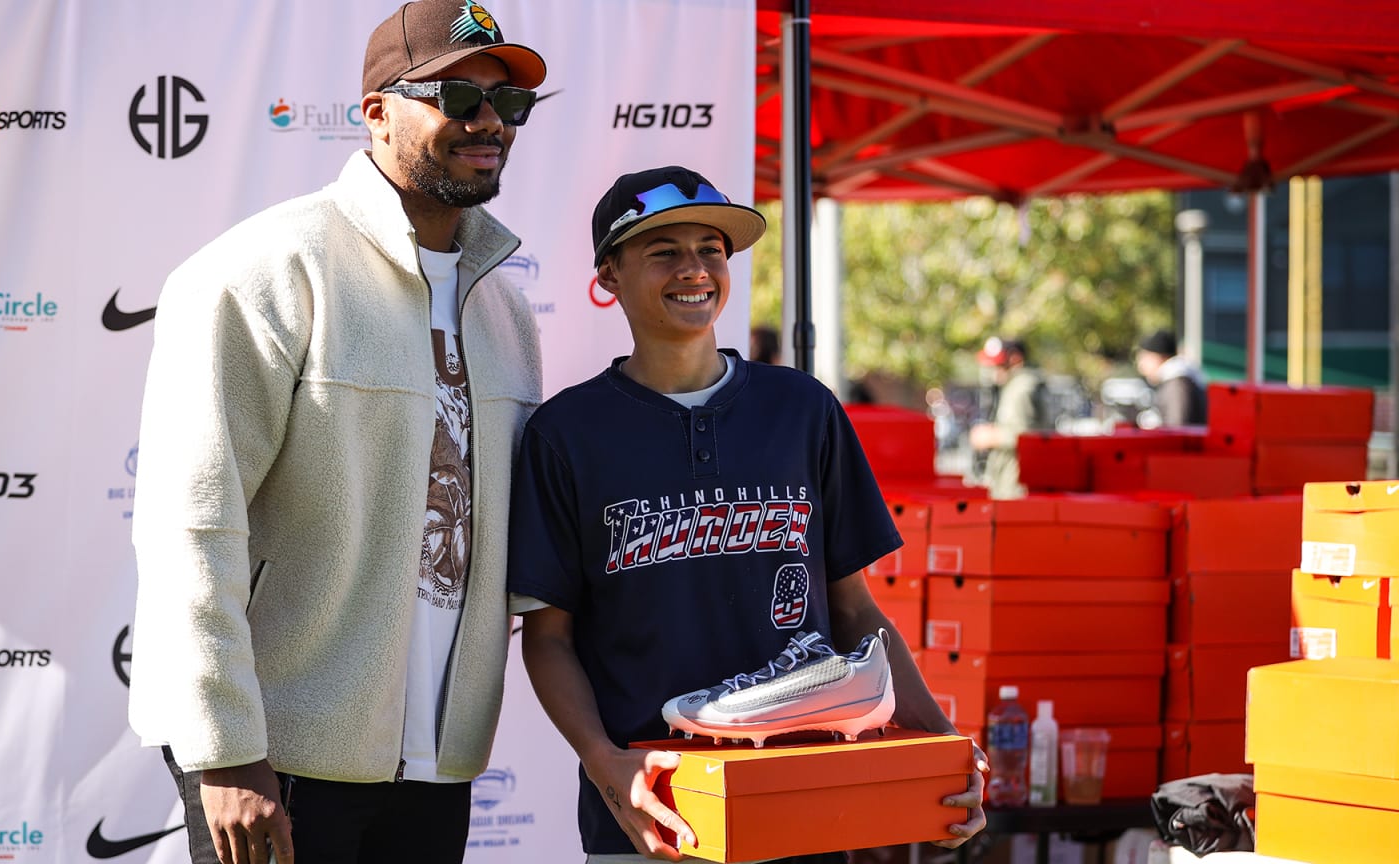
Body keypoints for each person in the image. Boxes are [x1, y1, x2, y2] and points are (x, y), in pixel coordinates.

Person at [126, 3, 547, 863]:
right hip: (278, 759)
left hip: (438, 761)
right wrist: (227, 749)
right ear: (378, 111)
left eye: (509, 105)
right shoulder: (261, 271)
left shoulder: (506, 308)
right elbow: (191, 528)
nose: (486, 122)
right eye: (459, 94)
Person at [507, 166, 986, 863]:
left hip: (810, 797)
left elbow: (855, 612)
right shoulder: (567, 433)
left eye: (711, 248)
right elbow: (548, 638)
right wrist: (605, 765)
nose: (694, 269)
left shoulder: (802, 409)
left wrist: (943, 745)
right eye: (664, 251)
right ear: (608, 275)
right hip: (656, 815)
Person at [968, 337, 1049, 499]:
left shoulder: (1022, 388)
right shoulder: (1012, 386)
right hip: (1009, 481)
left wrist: (991, 437)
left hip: (1017, 486)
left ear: (1015, 359)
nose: (993, 370)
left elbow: (1030, 436)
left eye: (998, 364)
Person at [1135, 329, 1207, 426]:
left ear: (1159, 357)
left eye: (1144, 358)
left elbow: (1178, 429)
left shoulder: (1177, 385)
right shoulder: (1175, 382)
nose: (1141, 366)